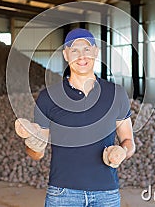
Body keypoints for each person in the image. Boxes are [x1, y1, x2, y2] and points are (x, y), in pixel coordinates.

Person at [15, 28, 135, 207]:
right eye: (74, 50)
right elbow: (35, 154)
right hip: (63, 195)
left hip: (106, 194)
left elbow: (128, 140)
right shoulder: (49, 96)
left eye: (87, 49)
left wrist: (122, 152)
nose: (82, 56)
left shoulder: (116, 94)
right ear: (65, 54)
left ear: (96, 52)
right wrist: (34, 145)